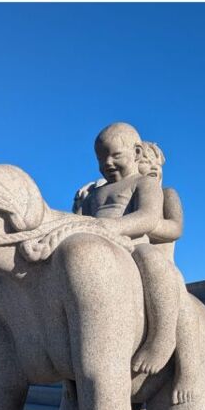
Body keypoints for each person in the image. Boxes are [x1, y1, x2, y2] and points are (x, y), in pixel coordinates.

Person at [73, 123, 185, 378]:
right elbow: (80, 222)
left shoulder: (146, 185)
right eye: (102, 158)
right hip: (98, 247)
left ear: (134, 153)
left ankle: (162, 336)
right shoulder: (95, 194)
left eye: (115, 156)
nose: (107, 163)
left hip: (134, 247)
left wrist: (110, 227)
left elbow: (149, 218)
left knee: (148, 257)